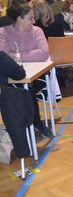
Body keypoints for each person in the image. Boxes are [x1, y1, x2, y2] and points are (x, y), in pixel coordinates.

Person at [0, 2, 53, 138]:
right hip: (13, 77)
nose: (34, 21)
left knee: (27, 89)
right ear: (19, 18)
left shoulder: (37, 31)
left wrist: (17, 55)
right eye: (30, 18)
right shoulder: (3, 32)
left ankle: (36, 123)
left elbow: (44, 53)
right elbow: (3, 56)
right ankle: (21, 127)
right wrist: (30, 53)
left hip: (38, 76)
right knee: (18, 90)